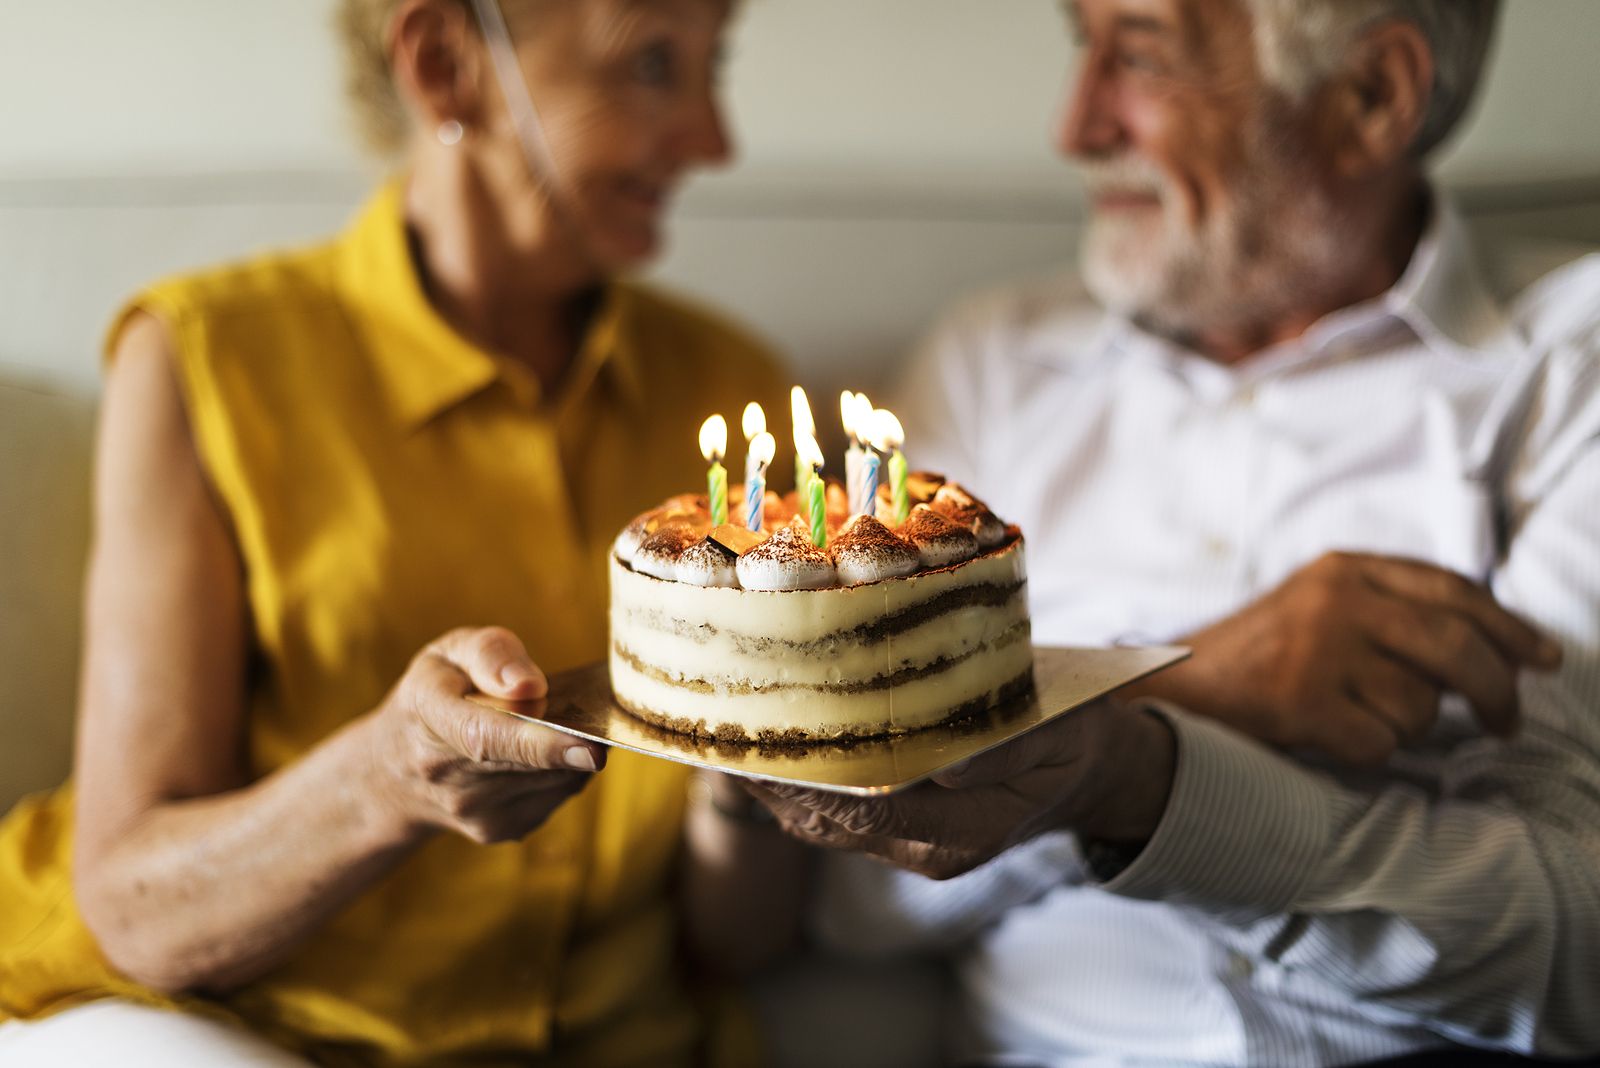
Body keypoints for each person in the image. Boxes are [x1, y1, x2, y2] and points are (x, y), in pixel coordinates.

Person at [745, 0, 1600, 1064]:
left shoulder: (1574, 371)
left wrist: (1141, 779)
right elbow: (850, 895)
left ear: (1371, 95)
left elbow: (1578, 948)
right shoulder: (991, 366)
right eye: (1081, 48)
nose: (1075, 127)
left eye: (1138, 54)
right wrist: (1186, 691)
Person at [0, 0, 801, 1065]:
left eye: (717, 65)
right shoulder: (207, 363)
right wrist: (388, 778)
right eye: (653, 62)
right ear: (445, 67)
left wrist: (755, 784)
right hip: (238, 1033)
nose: (714, 140)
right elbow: (136, 906)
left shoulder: (731, 397)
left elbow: (734, 950)